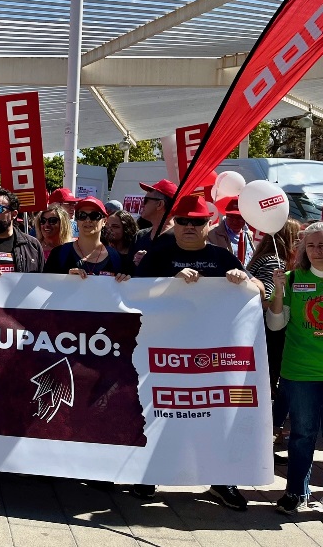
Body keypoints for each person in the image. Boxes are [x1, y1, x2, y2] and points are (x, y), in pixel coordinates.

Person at [133, 194, 265, 510]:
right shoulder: (157, 256)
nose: (190, 227)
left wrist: (244, 280)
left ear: (209, 223)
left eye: (197, 221)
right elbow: (133, 295)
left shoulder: (222, 258)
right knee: (161, 414)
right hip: (165, 355)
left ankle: (222, 480)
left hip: (213, 359)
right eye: (183, 221)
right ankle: (150, 475)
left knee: (217, 416)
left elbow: (260, 290)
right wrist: (171, 282)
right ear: (174, 224)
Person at [267, 222, 323, 514]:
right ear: (303, 248)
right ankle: (295, 492)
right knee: (302, 434)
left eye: (322, 245)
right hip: (300, 371)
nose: (317, 251)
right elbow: (276, 324)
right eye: (311, 245)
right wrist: (277, 291)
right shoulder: (291, 280)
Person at [247, 218, 301, 451]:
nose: (299, 241)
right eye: (296, 236)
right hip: (269, 333)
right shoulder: (274, 260)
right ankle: (264, 440)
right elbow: (267, 300)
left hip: (258, 331)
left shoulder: (262, 257)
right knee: (267, 384)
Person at [43, 197, 130, 281]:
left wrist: (126, 282)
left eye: (94, 215)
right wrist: (65, 279)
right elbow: (44, 288)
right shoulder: (58, 254)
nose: (87, 220)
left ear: (104, 221)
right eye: (82, 215)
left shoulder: (118, 260)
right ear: (77, 221)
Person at [134, 178, 178, 262]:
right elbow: (127, 271)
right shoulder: (139, 236)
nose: (142, 204)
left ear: (160, 204)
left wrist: (151, 262)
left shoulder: (180, 239)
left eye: (145, 200)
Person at [209, 197, 254, 268]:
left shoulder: (248, 234)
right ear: (226, 215)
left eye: (239, 217)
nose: (235, 221)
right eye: (231, 216)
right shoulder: (211, 233)